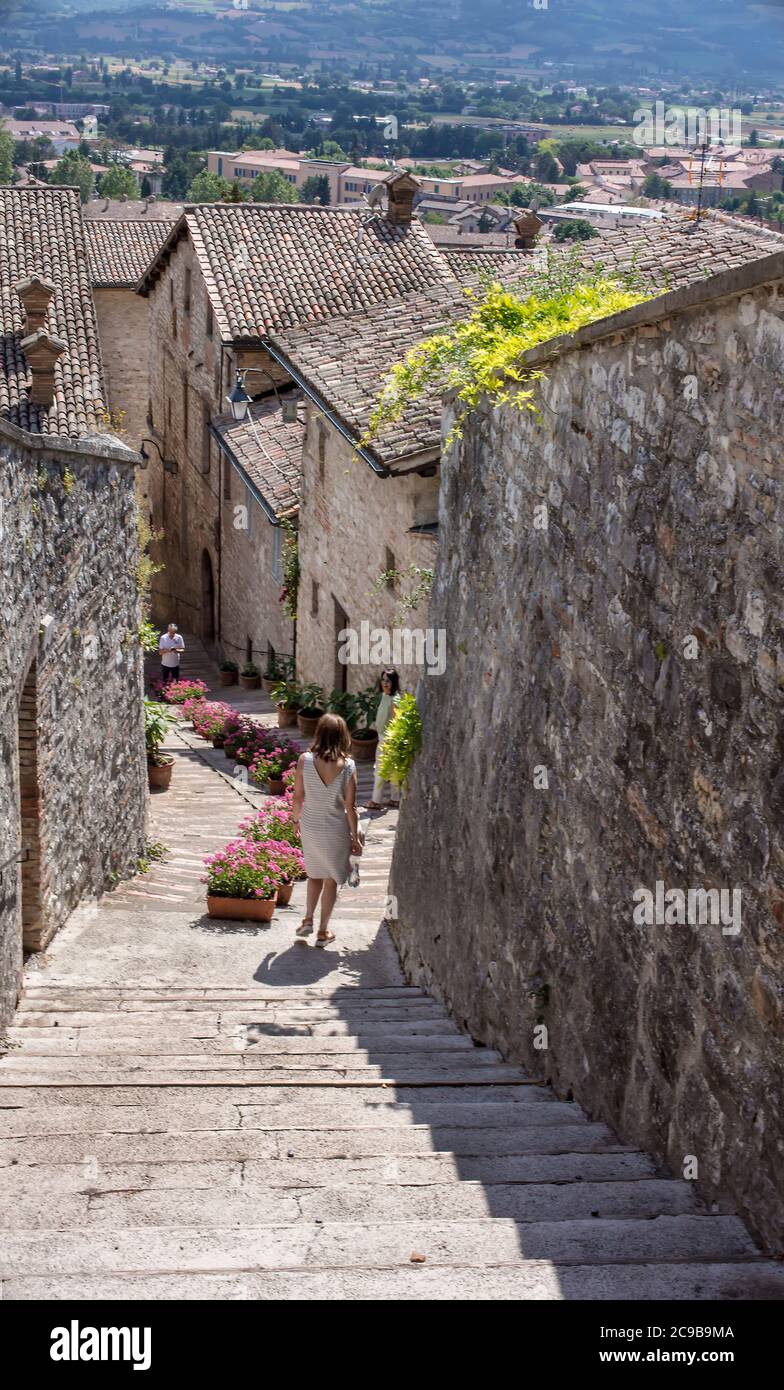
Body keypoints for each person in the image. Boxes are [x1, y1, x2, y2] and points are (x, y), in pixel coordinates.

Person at [291, 714, 362, 947]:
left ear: (319, 732)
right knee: (331, 879)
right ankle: (322, 932)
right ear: (343, 735)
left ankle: (308, 920)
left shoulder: (305, 760)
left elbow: (298, 797)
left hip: (310, 823)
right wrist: (355, 837)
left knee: (314, 876)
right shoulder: (349, 766)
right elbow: (350, 807)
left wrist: (294, 821)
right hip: (335, 828)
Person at [367, 667, 401, 810]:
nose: (385, 683)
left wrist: (391, 741)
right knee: (392, 770)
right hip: (383, 738)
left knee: (380, 769)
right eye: (383, 680)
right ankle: (395, 799)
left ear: (394, 682)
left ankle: (376, 800)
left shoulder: (395, 700)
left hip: (388, 739)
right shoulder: (384, 696)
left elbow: (397, 721)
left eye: (388, 680)